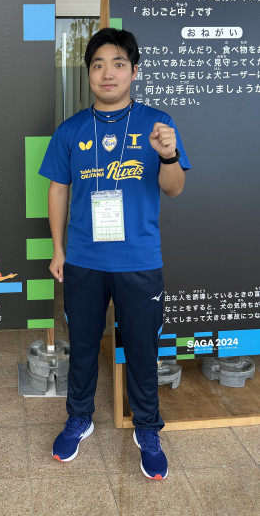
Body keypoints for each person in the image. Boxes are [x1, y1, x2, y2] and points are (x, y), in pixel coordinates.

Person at [39, 28, 191, 480]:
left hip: (139, 262)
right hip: (84, 262)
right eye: (98, 64)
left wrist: (168, 156)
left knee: (142, 350)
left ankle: (147, 429)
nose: (108, 73)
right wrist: (58, 249)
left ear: (134, 71)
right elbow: (58, 190)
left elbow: (175, 189)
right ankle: (79, 419)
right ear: (88, 73)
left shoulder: (157, 124)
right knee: (83, 346)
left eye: (119, 64)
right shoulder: (70, 130)